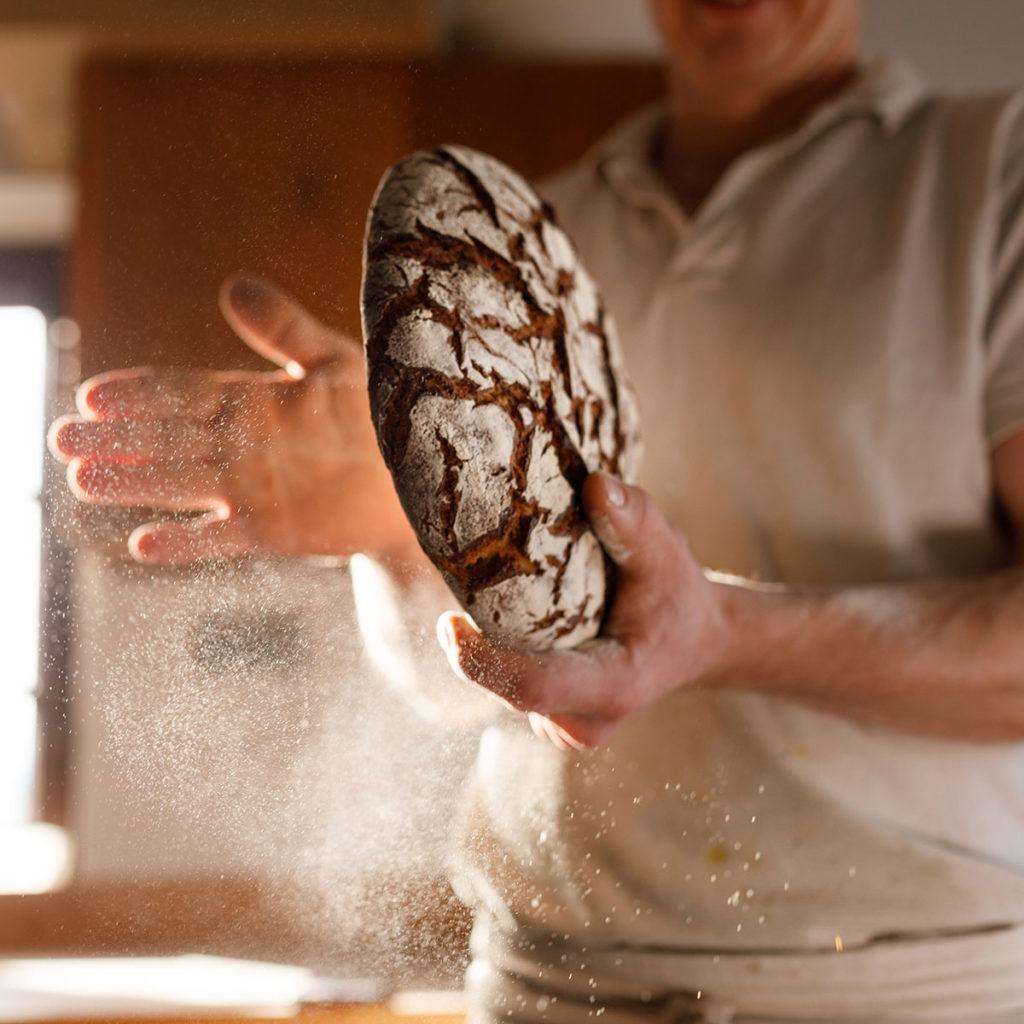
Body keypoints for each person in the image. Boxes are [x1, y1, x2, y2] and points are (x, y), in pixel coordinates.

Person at [48, 0, 1024, 1020]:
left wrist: (729, 633)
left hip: (913, 988)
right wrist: (398, 530)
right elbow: (477, 685)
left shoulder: (991, 176)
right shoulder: (521, 239)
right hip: (539, 983)